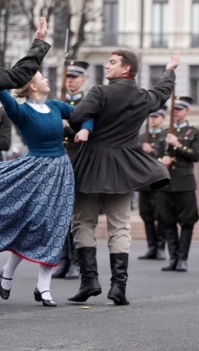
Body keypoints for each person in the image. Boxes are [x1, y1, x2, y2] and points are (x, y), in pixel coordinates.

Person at [67, 50, 179, 306]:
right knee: (120, 227)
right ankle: (119, 288)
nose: (107, 66)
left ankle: (89, 281)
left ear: (127, 68)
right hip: (123, 169)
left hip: (90, 167)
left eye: (113, 62)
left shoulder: (99, 92)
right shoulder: (142, 97)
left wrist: (85, 126)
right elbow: (162, 93)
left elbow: (75, 117)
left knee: (83, 223)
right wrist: (170, 70)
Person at [0, 66, 94, 307]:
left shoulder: (55, 106)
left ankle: (43, 286)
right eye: (42, 77)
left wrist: (85, 128)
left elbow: (86, 112)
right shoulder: (19, 111)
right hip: (34, 172)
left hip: (61, 171)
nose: (48, 79)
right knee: (29, 222)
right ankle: (7, 275)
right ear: (32, 85)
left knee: (55, 225)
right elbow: (2, 90)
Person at [52, 60, 89, 280]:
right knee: (61, 216)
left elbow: (88, 130)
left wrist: (67, 126)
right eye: (68, 77)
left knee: (75, 216)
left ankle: (76, 261)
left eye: (75, 78)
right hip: (59, 163)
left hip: (78, 163)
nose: (71, 81)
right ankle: (63, 260)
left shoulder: (87, 103)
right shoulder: (58, 102)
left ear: (83, 80)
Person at [158, 96, 199, 273]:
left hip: (184, 182)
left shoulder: (194, 132)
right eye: (174, 110)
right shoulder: (163, 133)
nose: (176, 112)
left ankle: (183, 258)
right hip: (165, 182)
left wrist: (177, 145)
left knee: (187, 221)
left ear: (187, 112)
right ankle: (173, 257)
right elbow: (154, 154)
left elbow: (195, 155)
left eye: (180, 110)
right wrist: (162, 159)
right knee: (167, 221)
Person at [137, 107, 168, 260]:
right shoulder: (142, 137)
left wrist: (153, 151)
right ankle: (151, 246)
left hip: (160, 182)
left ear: (163, 118)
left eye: (157, 117)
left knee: (160, 215)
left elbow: (168, 157)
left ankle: (161, 246)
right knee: (146, 215)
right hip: (144, 181)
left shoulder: (166, 136)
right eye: (151, 117)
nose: (153, 119)